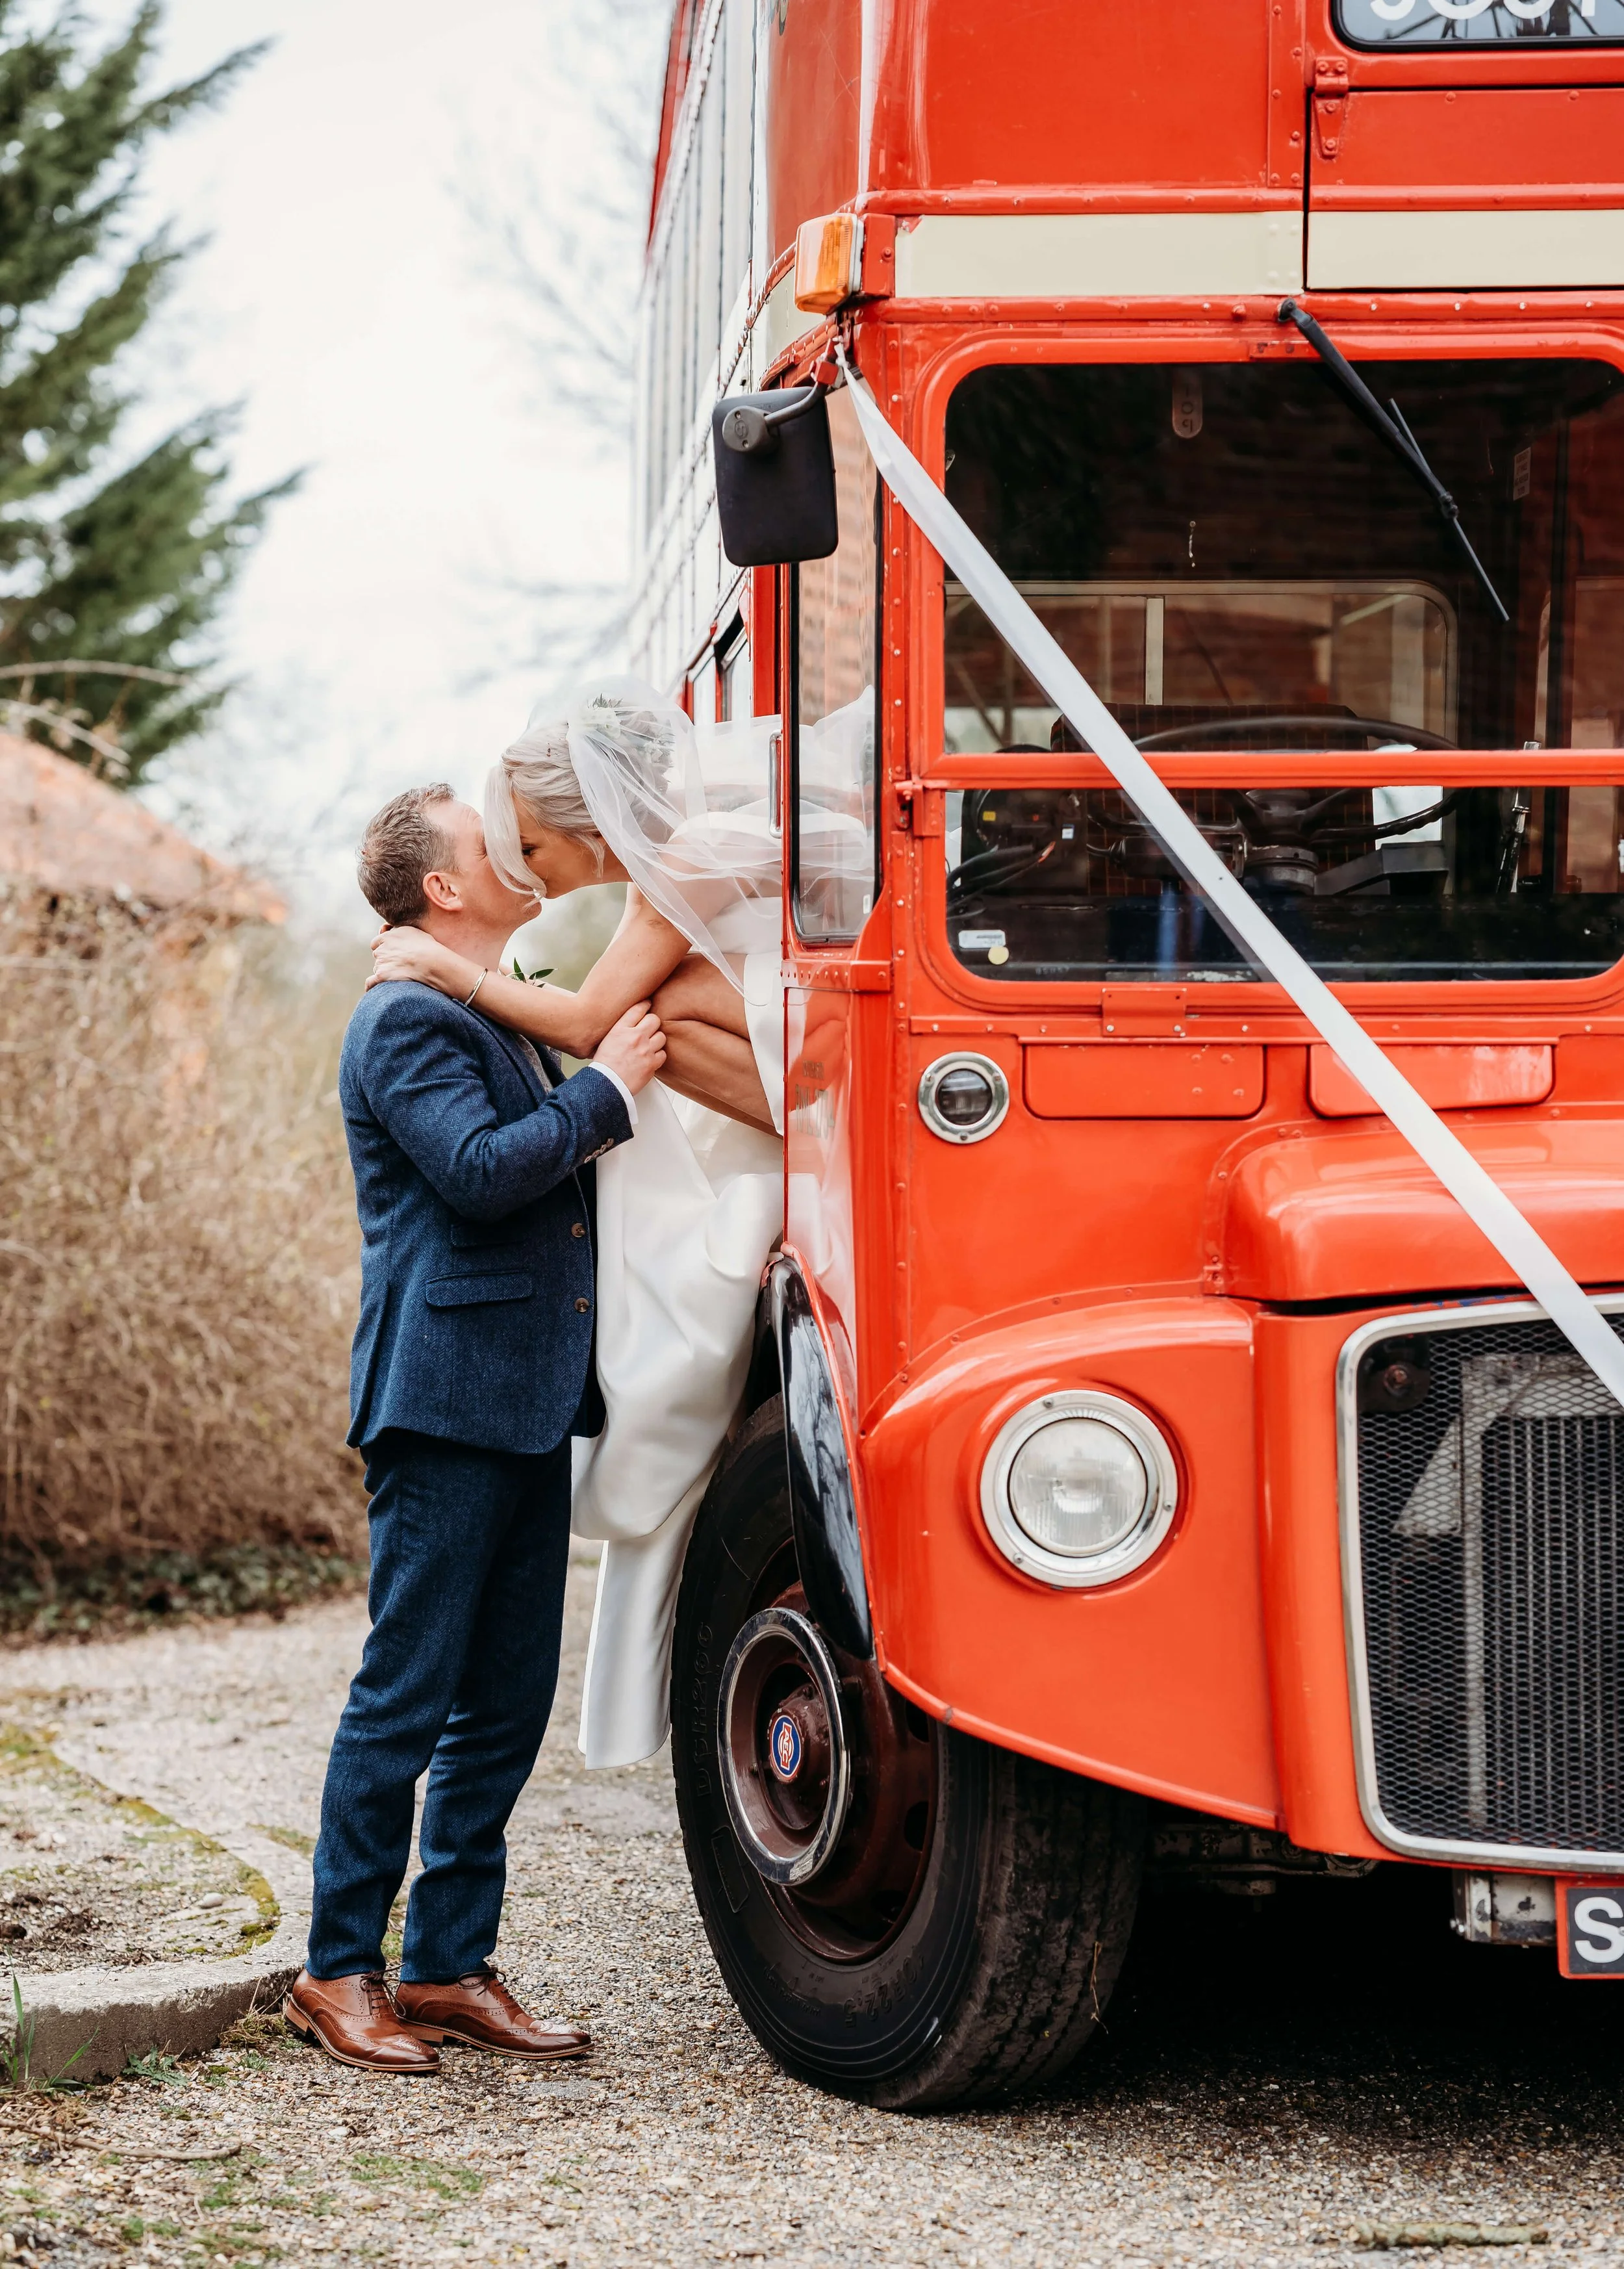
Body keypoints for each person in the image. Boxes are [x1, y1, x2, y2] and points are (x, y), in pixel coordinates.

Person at [283, 783, 666, 2074]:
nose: (508, 850)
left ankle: (444, 1967)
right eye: (479, 840)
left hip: (524, 1400)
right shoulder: (401, 1021)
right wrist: (606, 1091)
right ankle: (334, 1972)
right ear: (442, 889)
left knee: (503, 1709)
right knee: (405, 1699)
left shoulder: (474, 1006)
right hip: (442, 1399)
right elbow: (485, 1172)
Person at [366, 682, 818, 1768]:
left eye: (532, 848)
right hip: (770, 1041)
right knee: (641, 1026)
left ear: (585, 822)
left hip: (806, 1055)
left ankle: (786, 1161)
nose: (529, 872)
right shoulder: (670, 866)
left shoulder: (689, 857)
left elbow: (578, 1021)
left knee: (638, 1018)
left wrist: (455, 972)